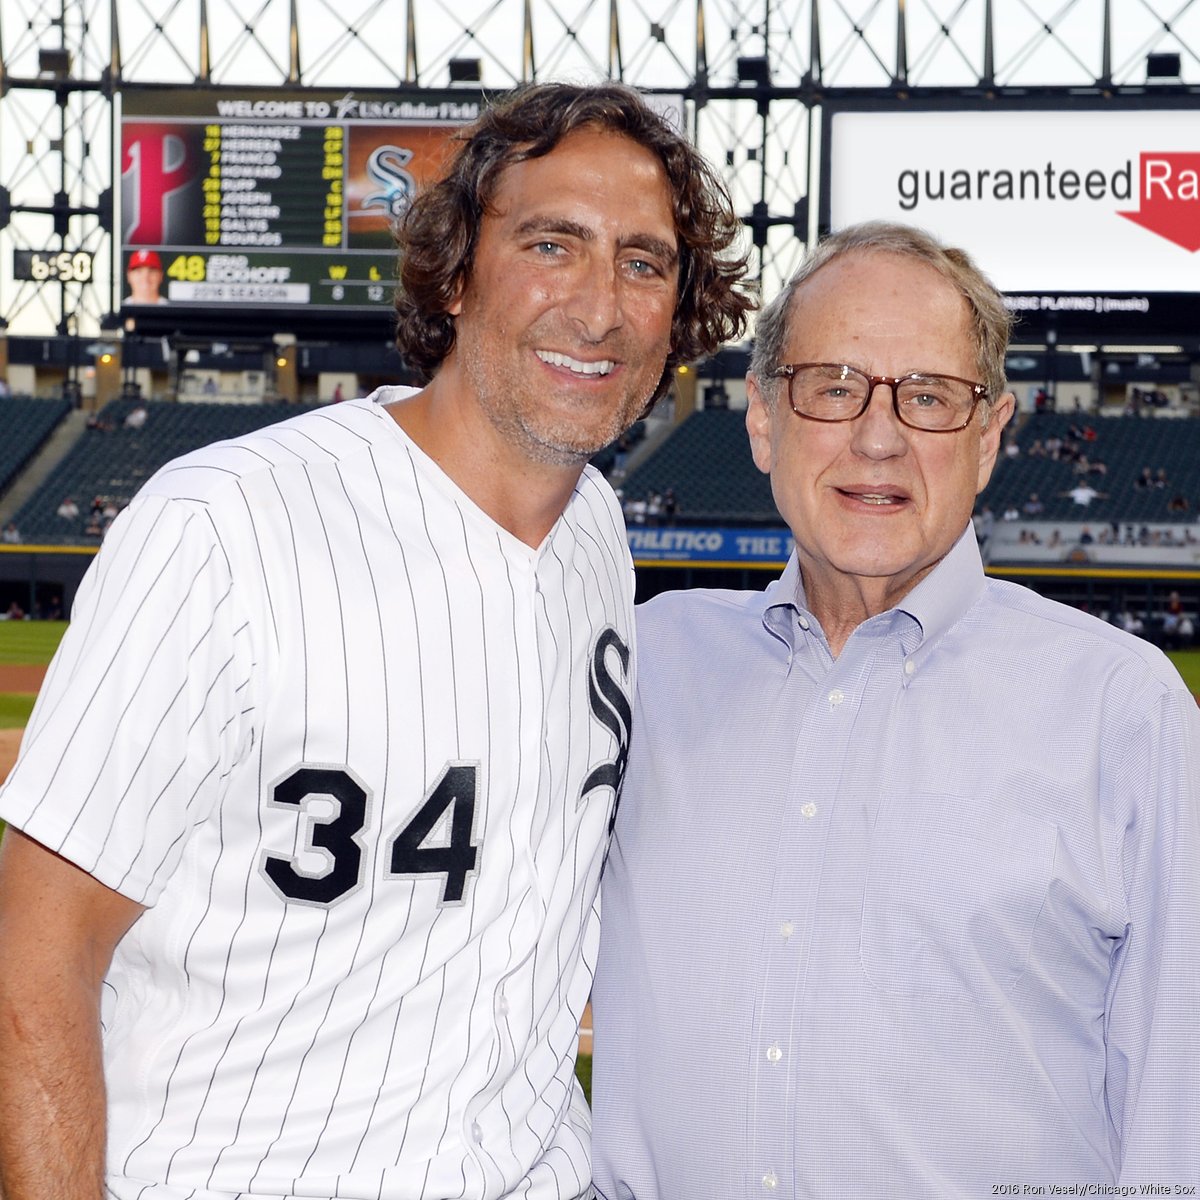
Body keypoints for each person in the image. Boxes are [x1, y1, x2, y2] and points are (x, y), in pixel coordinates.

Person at [0, 82, 752, 1200]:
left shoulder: (596, 529)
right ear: (456, 273)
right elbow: (36, 953)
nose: (601, 307)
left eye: (644, 263)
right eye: (554, 244)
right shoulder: (225, 523)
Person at [591, 221, 1200, 1195]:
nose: (879, 437)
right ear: (760, 419)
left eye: (929, 396)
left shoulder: (1119, 710)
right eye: (833, 386)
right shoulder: (643, 667)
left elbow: (1181, 1114)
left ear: (991, 437)